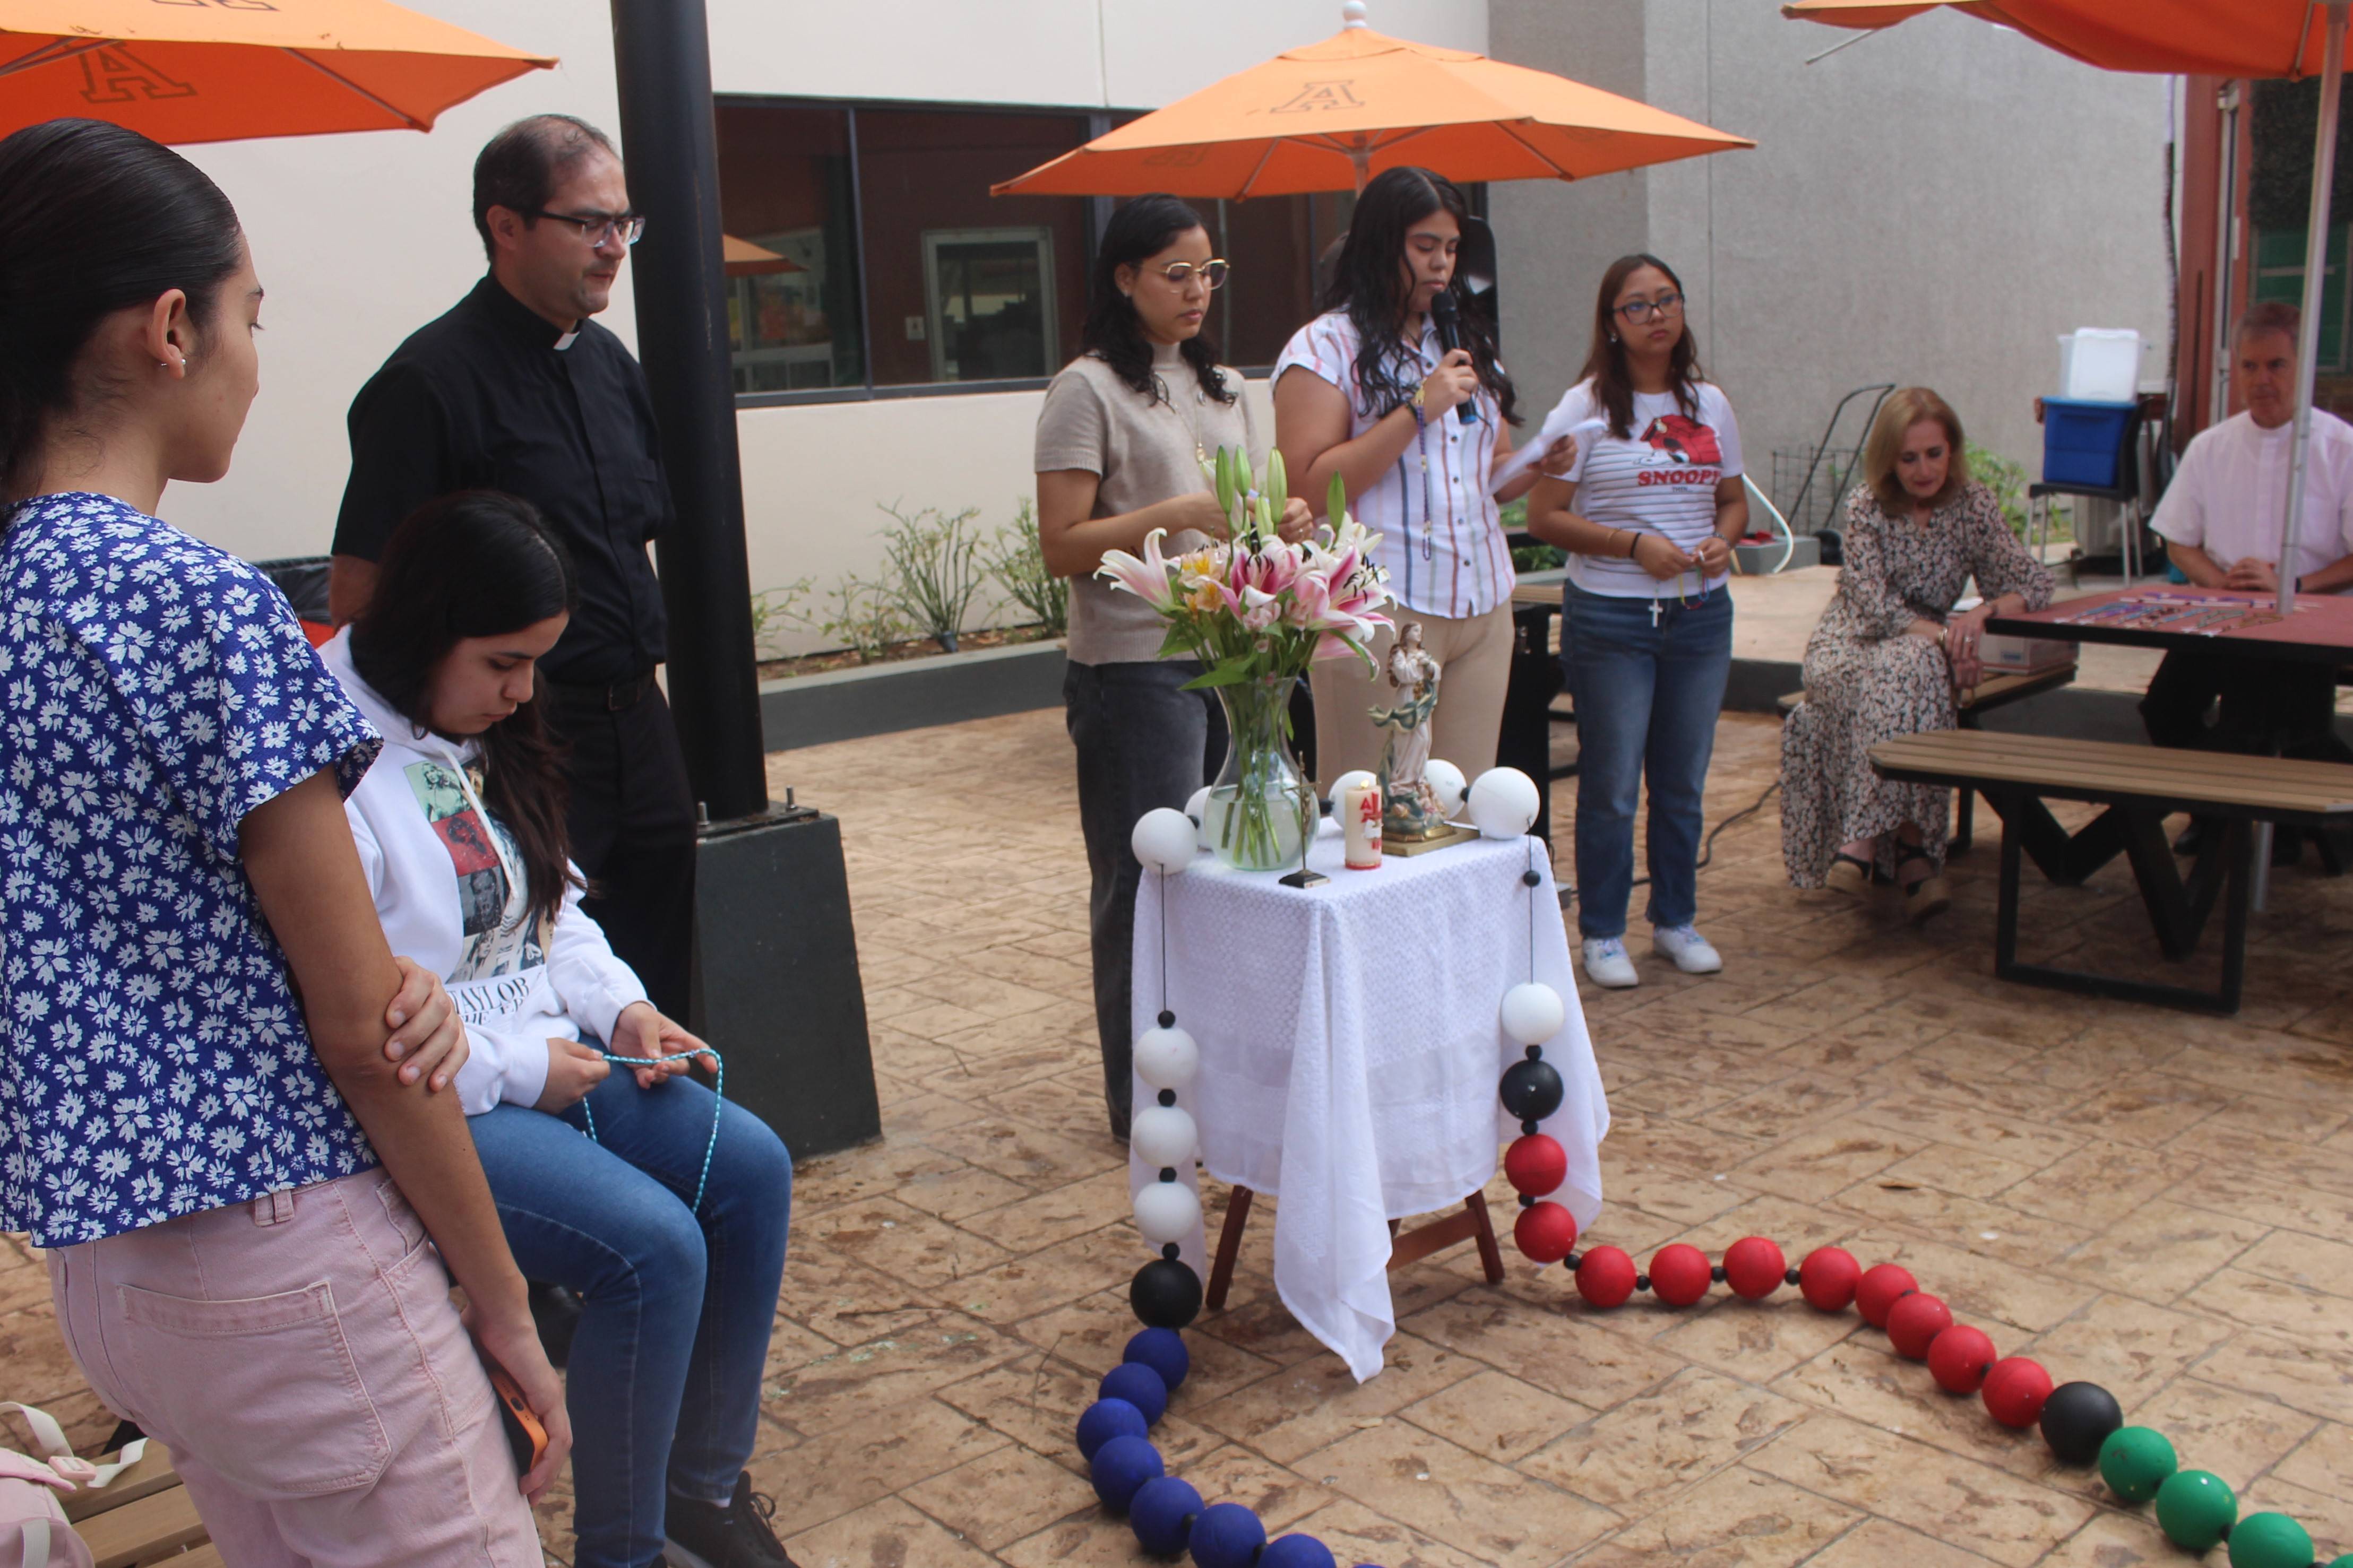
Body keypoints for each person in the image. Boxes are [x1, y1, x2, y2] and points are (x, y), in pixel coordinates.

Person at [1, 118, 567, 1563]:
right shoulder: (201, 604)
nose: (261, 355)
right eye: (253, 314)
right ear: (170, 327)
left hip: (112, 1277)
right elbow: (362, 1022)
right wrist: (498, 1299)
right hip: (291, 1254)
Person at [324, 491, 796, 1568]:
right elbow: (363, 1019)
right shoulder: (334, 756)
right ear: (425, 628)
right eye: (502, 662)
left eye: (536, 661)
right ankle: (622, 1548)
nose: (522, 690)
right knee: (652, 1247)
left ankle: (700, 1489)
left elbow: (552, 906)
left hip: (550, 1057)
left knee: (750, 1166)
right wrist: (520, 1066)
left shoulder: (474, 723)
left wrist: (621, 1006)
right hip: (442, 1098)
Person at [329, 114, 696, 1022]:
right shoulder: (428, 383)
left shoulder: (611, 366)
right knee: (529, 971)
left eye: (624, 224)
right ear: (506, 225)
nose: (614, 247)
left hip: (636, 725)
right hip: (518, 737)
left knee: (651, 976)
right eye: (588, 224)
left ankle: (658, 1141)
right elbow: (361, 596)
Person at [1036, 194, 1311, 1140]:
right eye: (1176, 274)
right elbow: (1063, 546)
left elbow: (1235, 519)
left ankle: (1213, 1073)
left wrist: (1275, 527)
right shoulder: (1086, 391)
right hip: (1132, 667)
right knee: (1145, 879)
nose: (1198, 292)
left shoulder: (1226, 387)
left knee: (1225, 875)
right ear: (1124, 277)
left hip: (1228, 656)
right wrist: (1182, 512)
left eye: (1209, 273)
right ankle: (1142, 1099)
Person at [1273, 166, 1573, 790]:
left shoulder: (1462, 341)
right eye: (1424, 246)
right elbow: (1304, 484)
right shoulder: (1324, 346)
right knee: (1369, 803)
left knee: (1460, 801)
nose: (1442, 265)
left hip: (1481, 598)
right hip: (1381, 602)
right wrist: (1415, 409)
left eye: (1452, 248)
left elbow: (1484, 474)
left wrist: (1535, 464)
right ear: (1382, 243)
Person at [1525, 254, 1747, 989]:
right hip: (1612, 616)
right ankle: (1603, 931)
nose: (1656, 315)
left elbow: (1732, 499)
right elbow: (1543, 515)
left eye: (1667, 300)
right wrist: (1630, 545)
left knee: (1681, 781)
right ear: (1611, 323)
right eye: (1637, 305)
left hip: (1698, 614)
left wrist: (1723, 537)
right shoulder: (1585, 407)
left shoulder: (1709, 403)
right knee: (1613, 784)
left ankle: (1675, 920)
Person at [1779, 389, 2054, 920]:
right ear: (1888, 459)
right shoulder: (1865, 506)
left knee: (1910, 665)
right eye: (1908, 458)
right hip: (1848, 644)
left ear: (1950, 450)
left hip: (1920, 650)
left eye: (1933, 453)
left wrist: (1982, 615)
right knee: (1910, 665)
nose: (1923, 469)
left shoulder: (1972, 505)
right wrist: (1947, 641)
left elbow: (2034, 582)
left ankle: (1861, 846)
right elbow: (1875, 606)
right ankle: (1910, 854)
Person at [2143, 301, 2353, 852]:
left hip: (2306, 620)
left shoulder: (2339, 448)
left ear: (2300, 366)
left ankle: (2282, 826)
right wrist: (2217, 581)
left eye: (2275, 366)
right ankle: (2217, 812)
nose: (2261, 380)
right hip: (2221, 613)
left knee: (2276, 722)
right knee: (2163, 706)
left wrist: (2296, 587)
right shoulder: (2210, 447)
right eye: (2249, 366)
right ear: (2234, 369)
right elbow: (2176, 538)